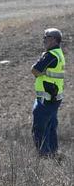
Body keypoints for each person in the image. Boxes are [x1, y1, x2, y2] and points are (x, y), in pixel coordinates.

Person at [31, 28, 65, 157]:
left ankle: (44, 156)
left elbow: (34, 70)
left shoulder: (51, 55)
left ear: (54, 40)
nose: (44, 39)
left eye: (47, 37)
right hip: (54, 97)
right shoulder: (59, 54)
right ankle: (53, 154)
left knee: (40, 128)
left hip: (46, 98)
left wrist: (41, 72)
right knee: (51, 127)